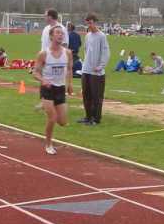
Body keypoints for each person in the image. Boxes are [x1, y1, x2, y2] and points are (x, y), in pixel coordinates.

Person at [32, 25, 73, 155]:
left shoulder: (68, 53)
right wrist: (43, 80)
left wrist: (70, 84)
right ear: (51, 36)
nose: (60, 35)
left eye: (62, 33)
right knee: (52, 117)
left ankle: (44, 105)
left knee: (62, 121)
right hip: (47, 88)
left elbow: (70, 69)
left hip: (60, 89)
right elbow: (35, 72)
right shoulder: (44, 54)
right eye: (58, 33)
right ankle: (48, 144)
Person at [80, 13, 110, 125]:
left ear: (95, 22)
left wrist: (100, 66)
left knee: (96, 96)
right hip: (86, 70)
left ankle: (96, 119)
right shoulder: (87, 36)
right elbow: (86, 50)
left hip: (97, 73)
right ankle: (88, 117)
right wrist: (85, 64)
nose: (89, 25)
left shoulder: (102, 36)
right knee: (86, 95)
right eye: (87, 23)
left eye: (90, 23)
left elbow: (106, 53)